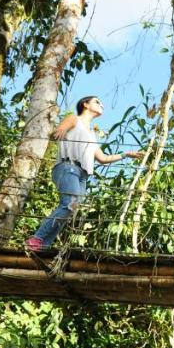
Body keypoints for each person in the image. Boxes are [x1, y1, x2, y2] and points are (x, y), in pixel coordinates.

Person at [25, 95, 141, 252]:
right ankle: (36, 239)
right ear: (85, 104)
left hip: (82, 175)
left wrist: (126, 154)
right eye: (97, 102)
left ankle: (44, 245)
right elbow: (62, 128)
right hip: (68, 167)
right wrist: (60, 131)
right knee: (68, 205)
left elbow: (103, 158)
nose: (102, 105)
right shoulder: (75, 119)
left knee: (71, 209)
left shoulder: (91, 134)